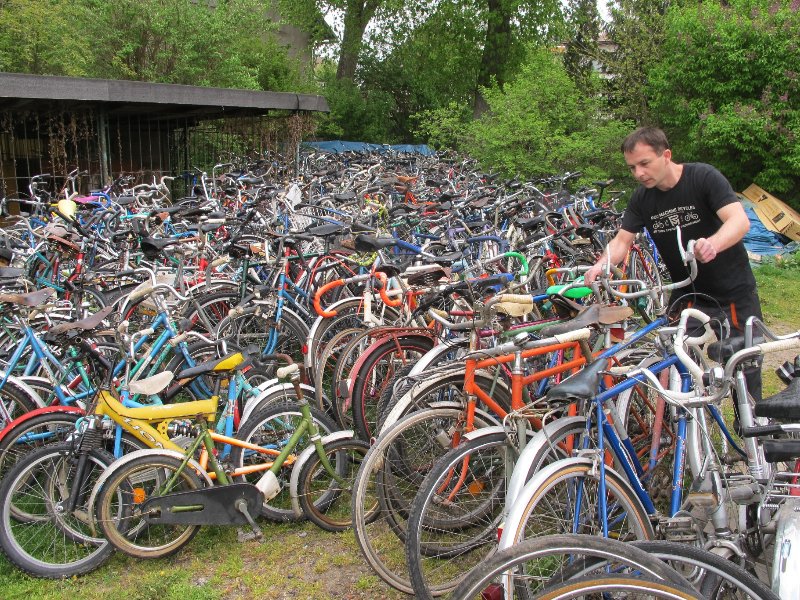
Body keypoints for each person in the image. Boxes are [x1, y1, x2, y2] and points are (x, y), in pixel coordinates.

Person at [585, 126, 763, 401]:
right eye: (632, 168)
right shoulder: (642, 198)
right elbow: (622, 241)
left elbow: (739, 221)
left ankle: (752, 423)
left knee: (744, 368)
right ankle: (686, 418)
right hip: (687, 293)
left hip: (732, 291)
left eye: (645, 163)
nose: (639, 173)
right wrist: (601, 264)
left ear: (666, 155)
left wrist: (713, 244)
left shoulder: (703, 177)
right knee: (673, 359)